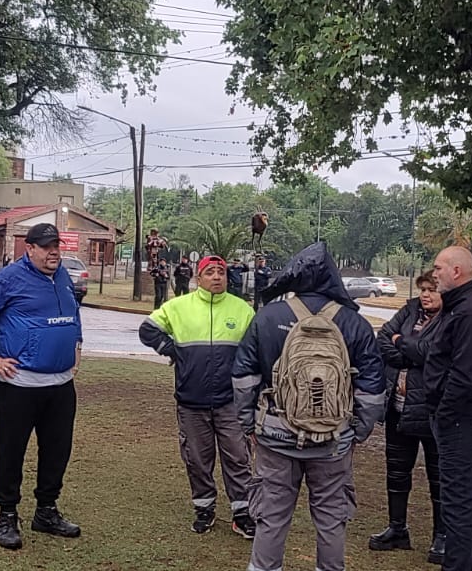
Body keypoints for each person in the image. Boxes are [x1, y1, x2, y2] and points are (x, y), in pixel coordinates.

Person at [233, 241, 386, 571]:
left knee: (271, 517)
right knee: (331, 520)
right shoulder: (354, 323)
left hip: (275, 437)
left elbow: (243, 377)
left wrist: (249, 424)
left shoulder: (268, 317)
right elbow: (373, 391)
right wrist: (355, 433)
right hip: (333, 442)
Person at [0, 223, 84, 550]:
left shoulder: (62, 276)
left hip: (61, 384)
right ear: (29, 248)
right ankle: (7, 514)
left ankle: (46, 511)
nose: (54, 252)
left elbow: (72, 313)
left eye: (56, 245)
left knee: (57, 450)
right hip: (19, 384)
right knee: (12, 450)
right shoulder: (10, 278)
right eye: (46, 246)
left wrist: (77, 344)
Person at [139, 255, 257, 538]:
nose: (216, 277)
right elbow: (147, 330)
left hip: (231, 402)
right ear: (198, 277)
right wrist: (170, 349)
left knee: (238, 458)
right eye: (210, 272)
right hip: (192, 401)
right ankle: (204, 509)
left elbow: (256, 349)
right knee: (197, 459)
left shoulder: (243, 310)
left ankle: (242, 514)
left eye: (221, 272)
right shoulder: (178, 307)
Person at [419, 247, 472, 571]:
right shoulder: (460, 307)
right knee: (467, 499)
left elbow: (465, 374)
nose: (434, 274)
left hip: (462, 420)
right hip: (458, 418)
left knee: (457, 505)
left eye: (438, 268)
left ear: (457, 271)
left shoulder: (471, 312)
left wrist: (444, 415)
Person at [370, 272, 446, 562]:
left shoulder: (450, 318)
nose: (426, 294)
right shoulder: (410, 310)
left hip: (431, 410)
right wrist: (407, 353)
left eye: (432, 290)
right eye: (423, 289)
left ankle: (442, 536)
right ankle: (397, 528)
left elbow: (433, 353)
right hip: (398, 406)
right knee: (397, 472)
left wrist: (404, 345)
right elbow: (383, 338)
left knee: (438, 477)